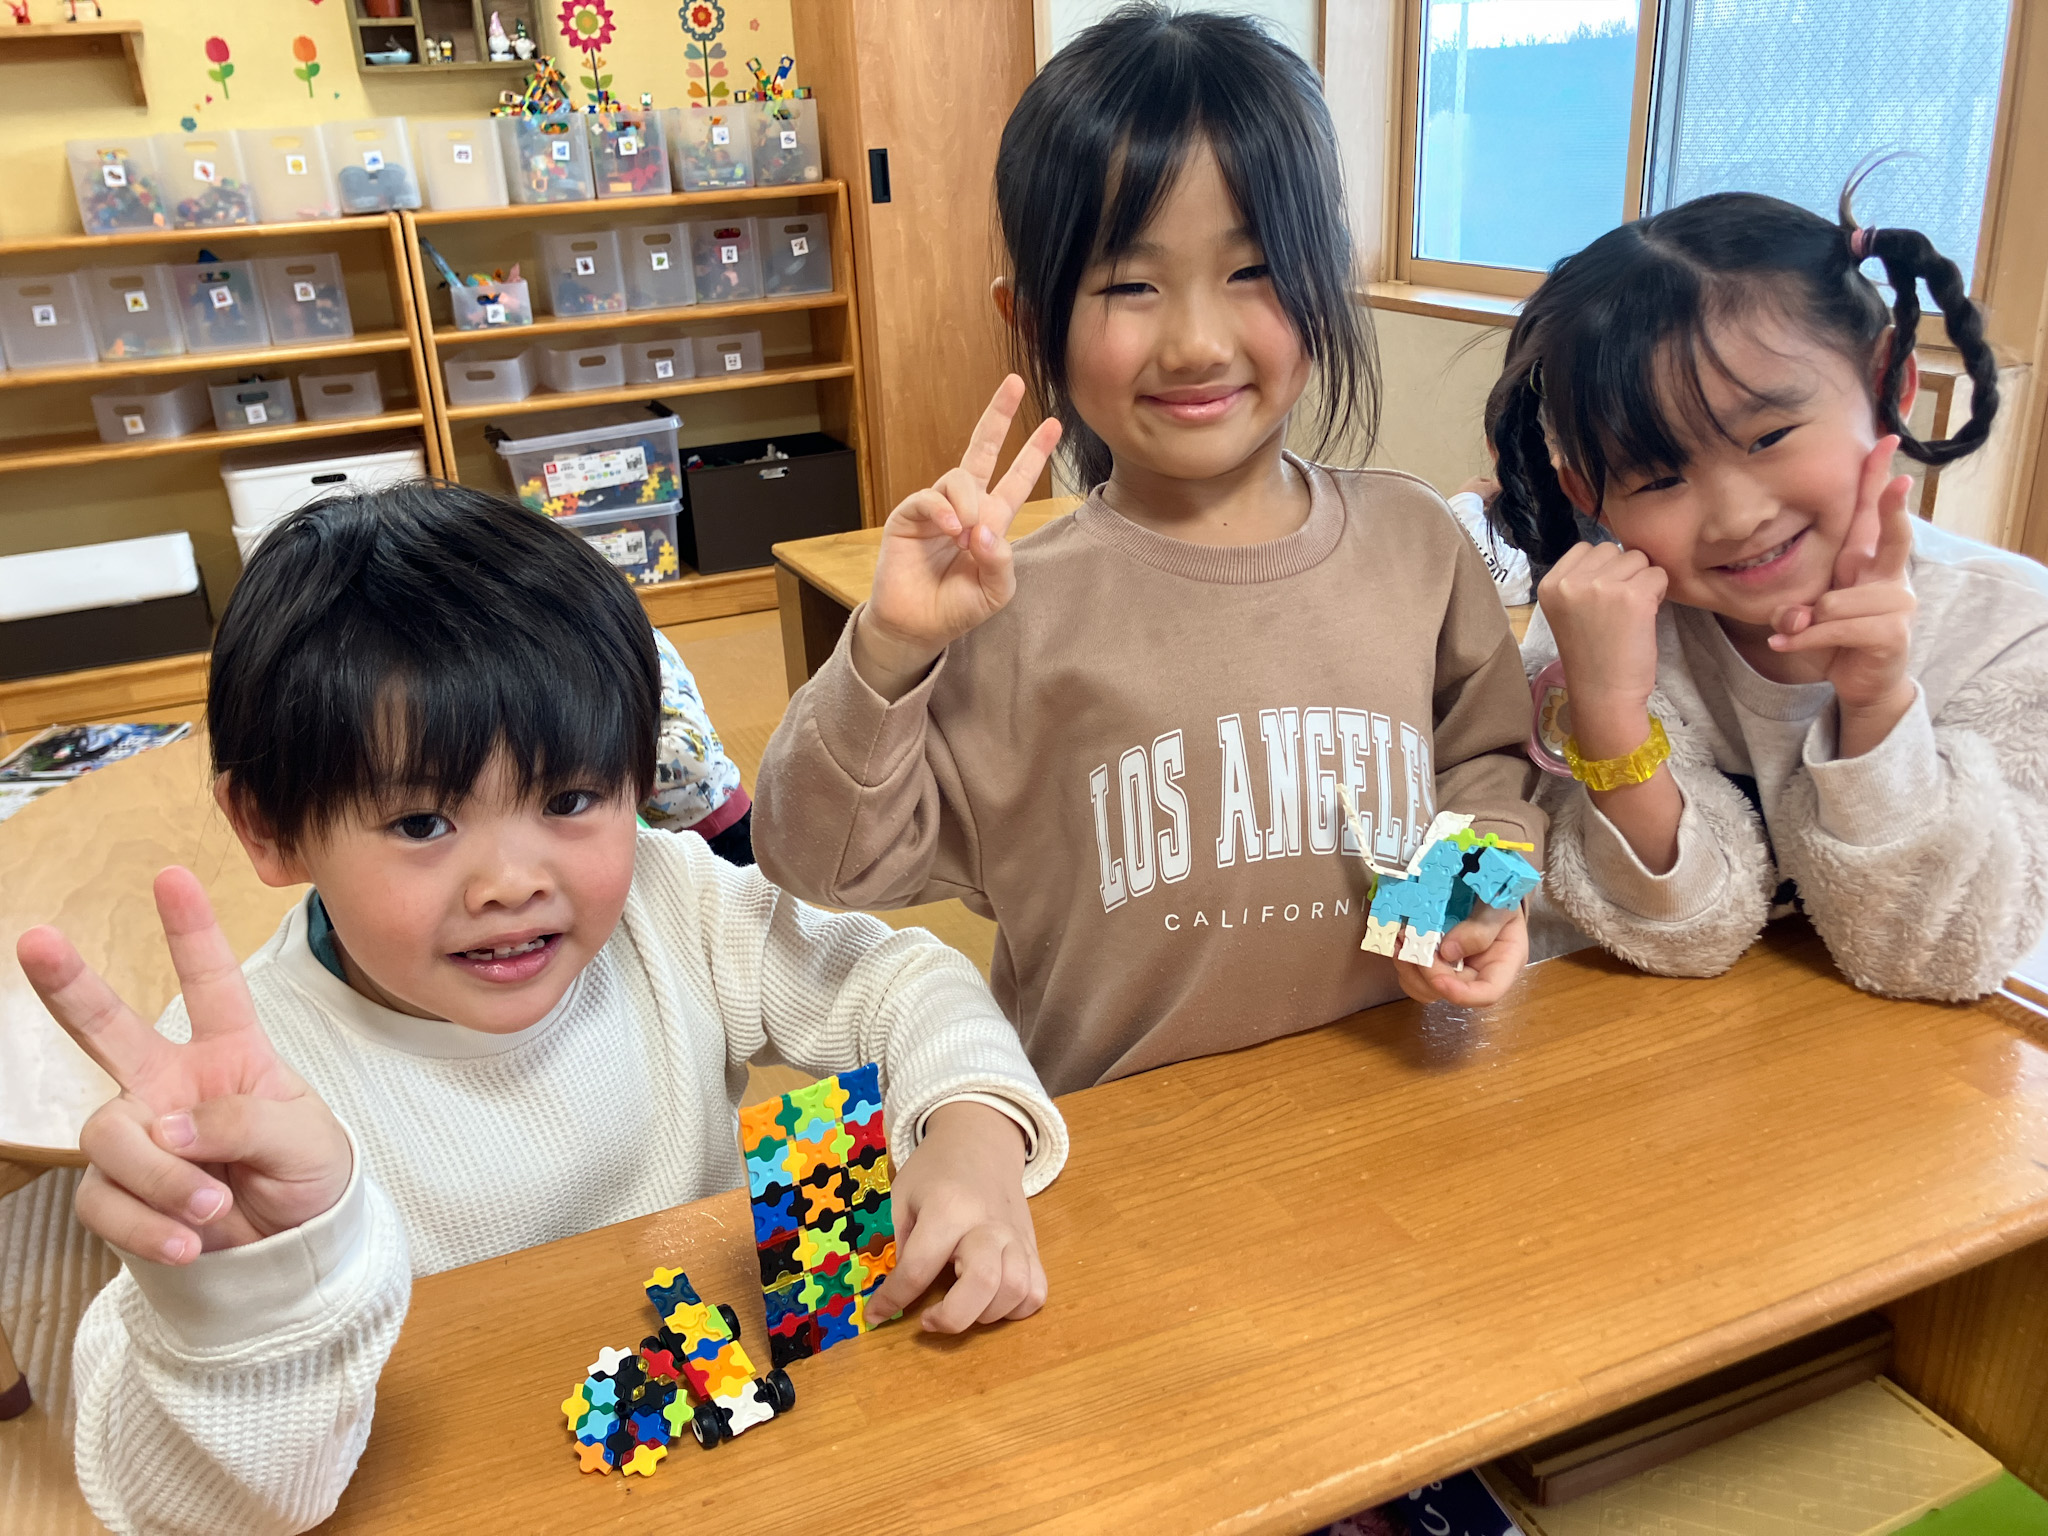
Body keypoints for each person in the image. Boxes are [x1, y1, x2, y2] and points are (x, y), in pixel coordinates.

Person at [18, 483, 1068, 1534]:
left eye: (569, 801)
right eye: (422, 823)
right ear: (269, 828)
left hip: (750, 1468)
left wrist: (970, 1126)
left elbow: (899, 979)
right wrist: (254, 1299)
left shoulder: (672, 901)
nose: (510, 883)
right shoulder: (237, 1085)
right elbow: (194, 1508)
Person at [753, 3, 1545, 1096]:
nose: (1196, 342)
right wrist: (887, 650)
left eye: (1253, 269)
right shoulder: (1011, 611)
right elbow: (822, 863)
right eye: (1129, 284)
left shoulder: (1415, 543)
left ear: (1325, 277)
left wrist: (1463, 896)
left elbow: (1489, 761)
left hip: (1397, 1100)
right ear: (1030, 318)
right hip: (1126, 1152)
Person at [1481, 183, 2046, 998]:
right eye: (1659, 478)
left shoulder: (2012, 630)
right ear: (1588, 496)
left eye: (1770, 435)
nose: (1737, 517)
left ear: (1888, 380)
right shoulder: (1606, 633)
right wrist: (1607, 713)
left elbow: (1938, 957)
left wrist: (1878, 708)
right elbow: (1677, 938)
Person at [644, 627, 756, 864]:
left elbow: (694, 754)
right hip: (664, 840)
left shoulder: (645, 648)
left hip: (720, 830)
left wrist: (607, 776)